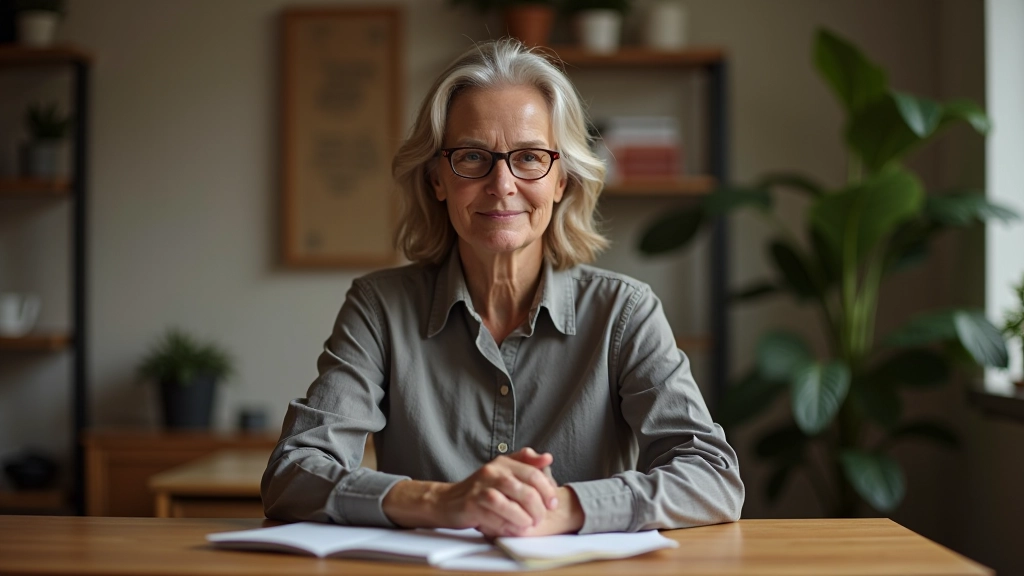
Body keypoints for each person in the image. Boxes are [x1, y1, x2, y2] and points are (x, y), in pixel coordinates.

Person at [261, 38, 744, 537]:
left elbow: (713, 477)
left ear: (561, 181)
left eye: (530, 157)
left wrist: (566, 508)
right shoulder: (380, 308)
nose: (502, 183)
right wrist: (442, 501)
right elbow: (292, 473)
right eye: (472, 157)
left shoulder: (625, 312)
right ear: (436, 180)